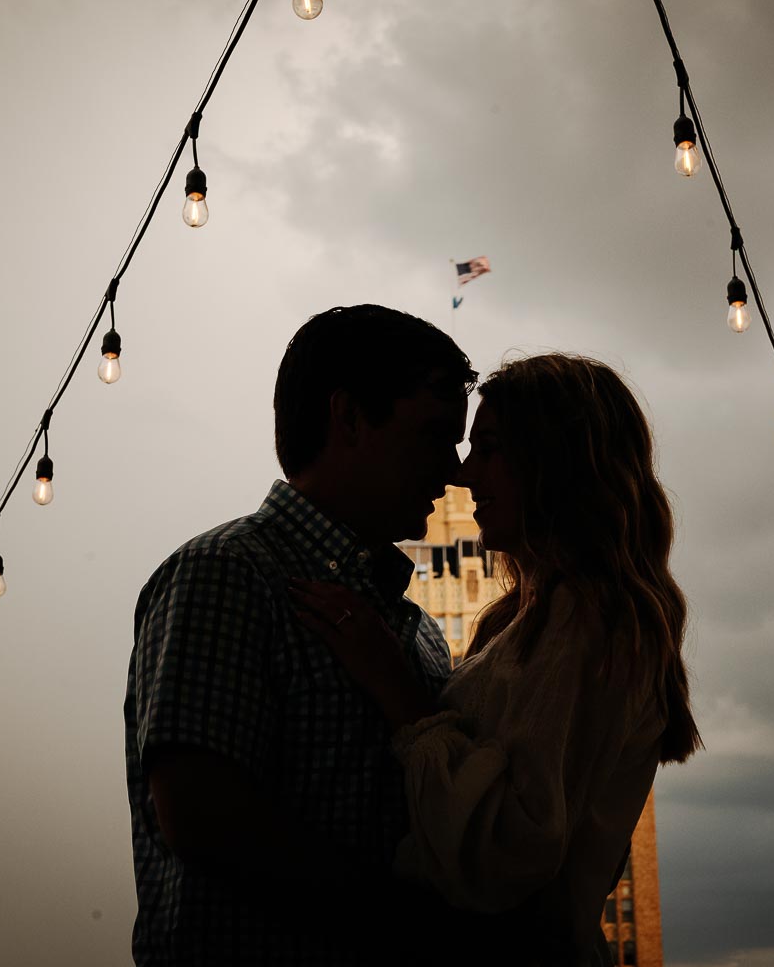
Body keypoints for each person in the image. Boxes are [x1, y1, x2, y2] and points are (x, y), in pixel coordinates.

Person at [291, 352, 703, 966]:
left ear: (554, 464)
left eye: (488, 450)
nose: (463, 475)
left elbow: (507, 851)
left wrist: (394, 687)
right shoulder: (518, 620)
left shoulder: (588, 618)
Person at [124, 304, 490, 965]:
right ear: (349, 417)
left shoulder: (416, 629)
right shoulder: (226, 573)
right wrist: (415, 922)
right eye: (436, 436)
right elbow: (203, 817)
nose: (455, 471)